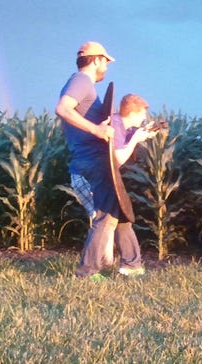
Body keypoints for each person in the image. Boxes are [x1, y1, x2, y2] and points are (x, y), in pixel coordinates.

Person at [55, 41, 152, 280]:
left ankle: (132, 263)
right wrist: (97, 131)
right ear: (97, 60)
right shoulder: (81, 81)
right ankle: (87, 272)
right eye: (106, 62)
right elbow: (62, 109)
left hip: (95, 160)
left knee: (119, 210)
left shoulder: (82, 84)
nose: (106, 68)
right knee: (106, 215)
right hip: (91, 162)